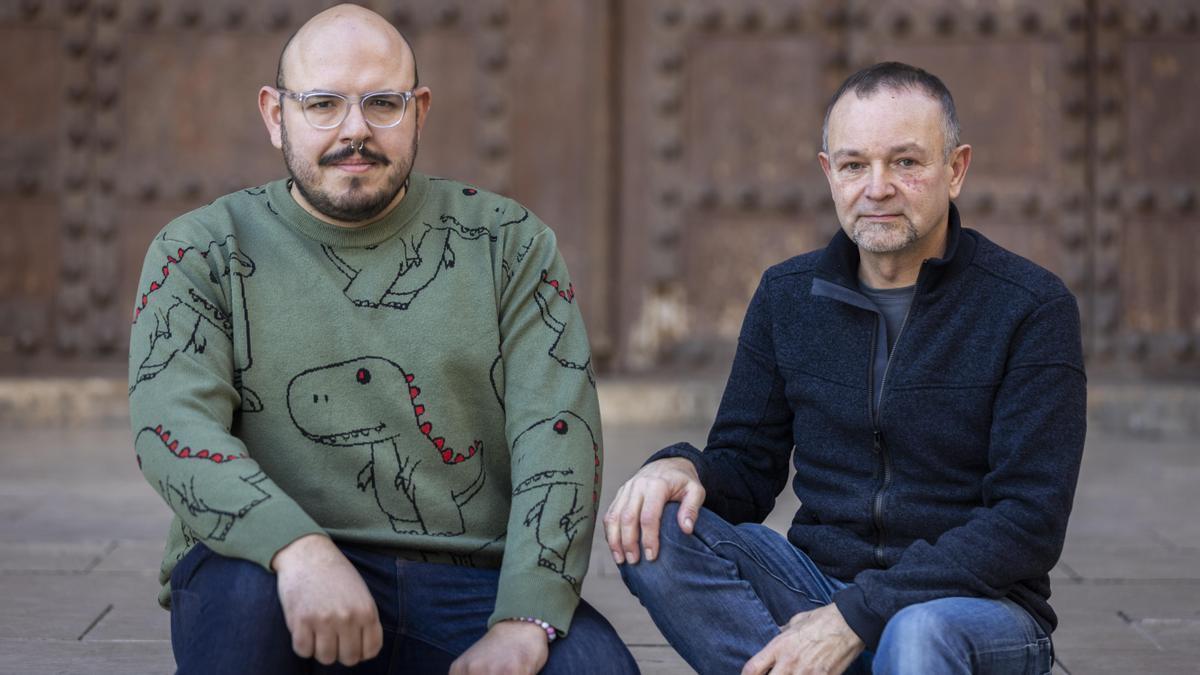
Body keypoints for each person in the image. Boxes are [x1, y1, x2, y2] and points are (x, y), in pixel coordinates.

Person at [127, 5, 637, 673]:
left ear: (420, 110)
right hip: (270, 567)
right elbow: (172, 424)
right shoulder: (201, 249)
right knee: (244, 613)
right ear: (274, 113)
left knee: (593, 668)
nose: (355, 130)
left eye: (383, 103)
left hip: (467, 576)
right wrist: (298, 548)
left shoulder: (508, 243)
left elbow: (558, 432)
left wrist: (524, 615)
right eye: (322, 104)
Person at [606, 61, 1086, 674]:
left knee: (917, 633)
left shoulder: (1030, 306)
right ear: (830, 174)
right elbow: (745, 473)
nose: (877, 187)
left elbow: (1030, 522)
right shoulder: (786, 295)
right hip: (817, 592)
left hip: (974, 612)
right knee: (656, 530)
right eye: (856, 164)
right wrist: (678, 466)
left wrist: (859, 615)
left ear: (956, 169)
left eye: (906, 162)